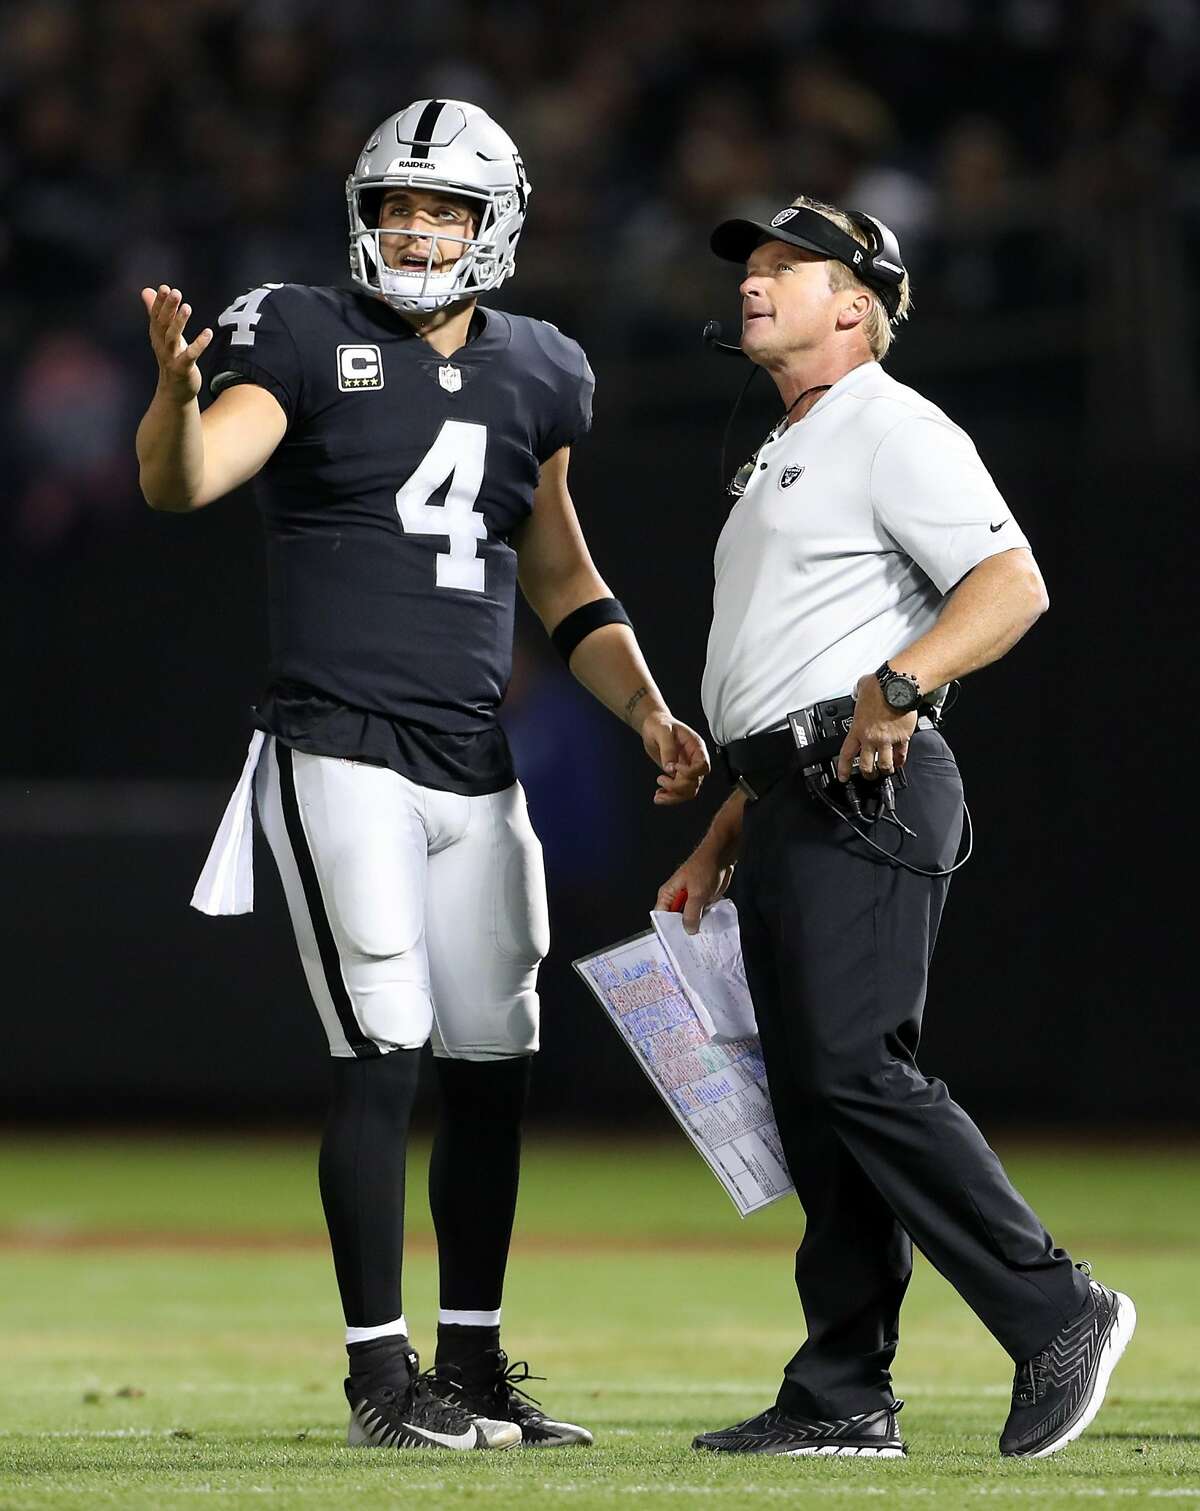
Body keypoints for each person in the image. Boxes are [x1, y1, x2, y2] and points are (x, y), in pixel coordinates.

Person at [136, 97, 709, 1454]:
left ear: (493, 224)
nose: (413, 227)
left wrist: (645, 708)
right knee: (381, 1048)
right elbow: (192, 477)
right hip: (337, 742)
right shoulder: (297, 330)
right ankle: (378, 1376)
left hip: (474, 758)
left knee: (496, 1056)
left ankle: (471, 1358)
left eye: (441, 209)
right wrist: (173, 393)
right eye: (396, 204)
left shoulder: (543, 369)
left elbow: (562, 572)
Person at [657, 195, 1134, 1461]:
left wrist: (904, 685)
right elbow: (787, 663)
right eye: (750, 267)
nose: (755, 283)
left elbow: (1012, 582)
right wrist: (724, 832)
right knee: (819, 1101)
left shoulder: (892, 424)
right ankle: (841, 1392)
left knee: (858, 1068)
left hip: (868, 784)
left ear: (857, 305)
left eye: (786, 267)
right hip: (790, 795)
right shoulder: (788, 445)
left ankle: (1058, 1308)